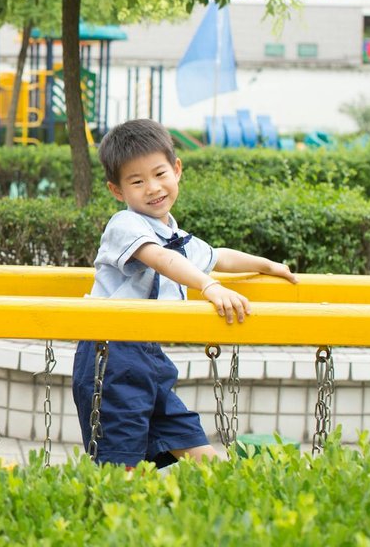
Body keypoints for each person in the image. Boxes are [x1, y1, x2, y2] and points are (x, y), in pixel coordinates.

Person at [72, 118, 298, 468]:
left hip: (149, 356)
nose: (152, 188)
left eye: (160, 174)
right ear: (118, 191)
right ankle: (115, 515)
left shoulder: (172, 234)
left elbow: (218, 256)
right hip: (110, 354)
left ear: (177, 170)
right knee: (121, 463)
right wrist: (209, 286)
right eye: (137, 181)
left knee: (199, 454)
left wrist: (268, 266)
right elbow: (159, 259)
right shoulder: (126, 225)